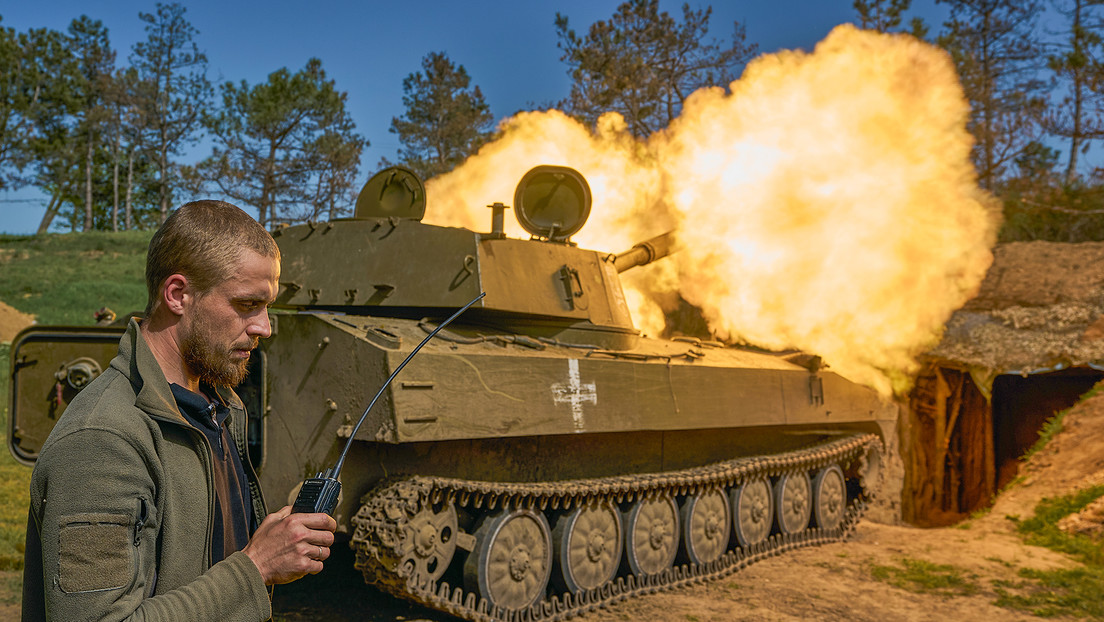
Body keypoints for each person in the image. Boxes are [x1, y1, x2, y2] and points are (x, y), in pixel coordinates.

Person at [22, 201, 336, 621]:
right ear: (177, 295)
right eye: (247, 305)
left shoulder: (216, 409)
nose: (265, 327)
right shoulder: (102, 441)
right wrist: (256, 567)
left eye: (267, 307)